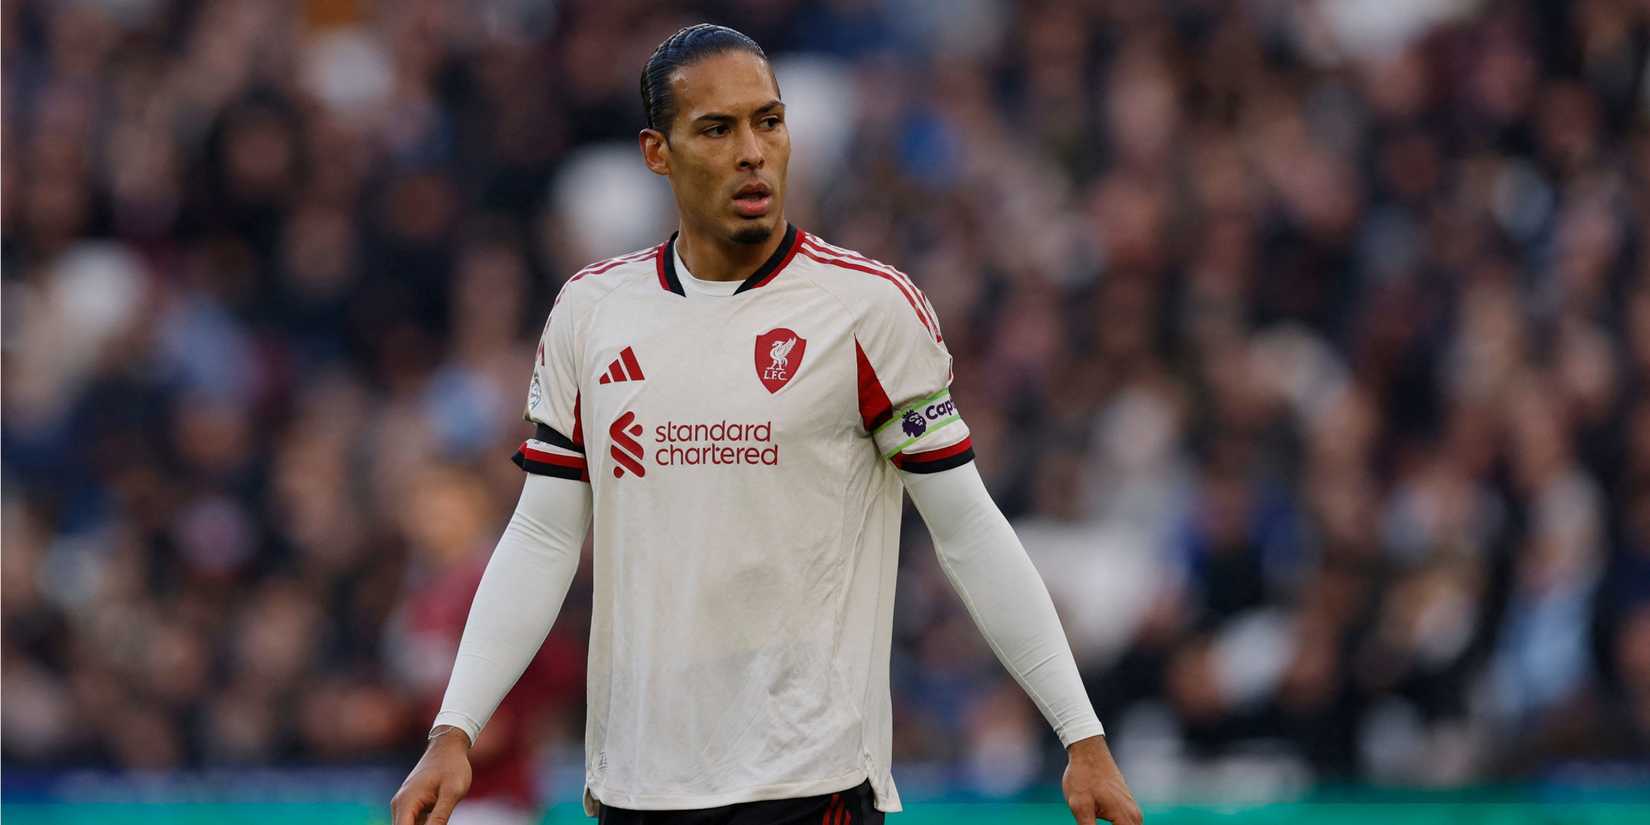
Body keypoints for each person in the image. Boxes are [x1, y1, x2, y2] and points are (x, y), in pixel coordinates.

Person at [391, 23, 1141, 825]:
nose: (753, 150)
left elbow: (967, 529)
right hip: (637, 786)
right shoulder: (592, 312)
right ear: (658, 152)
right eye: (717, 128)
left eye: (769, 121)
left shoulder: (867, 309)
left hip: (808, 786)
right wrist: (456, 725)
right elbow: (542, 537)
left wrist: (1080, 733)